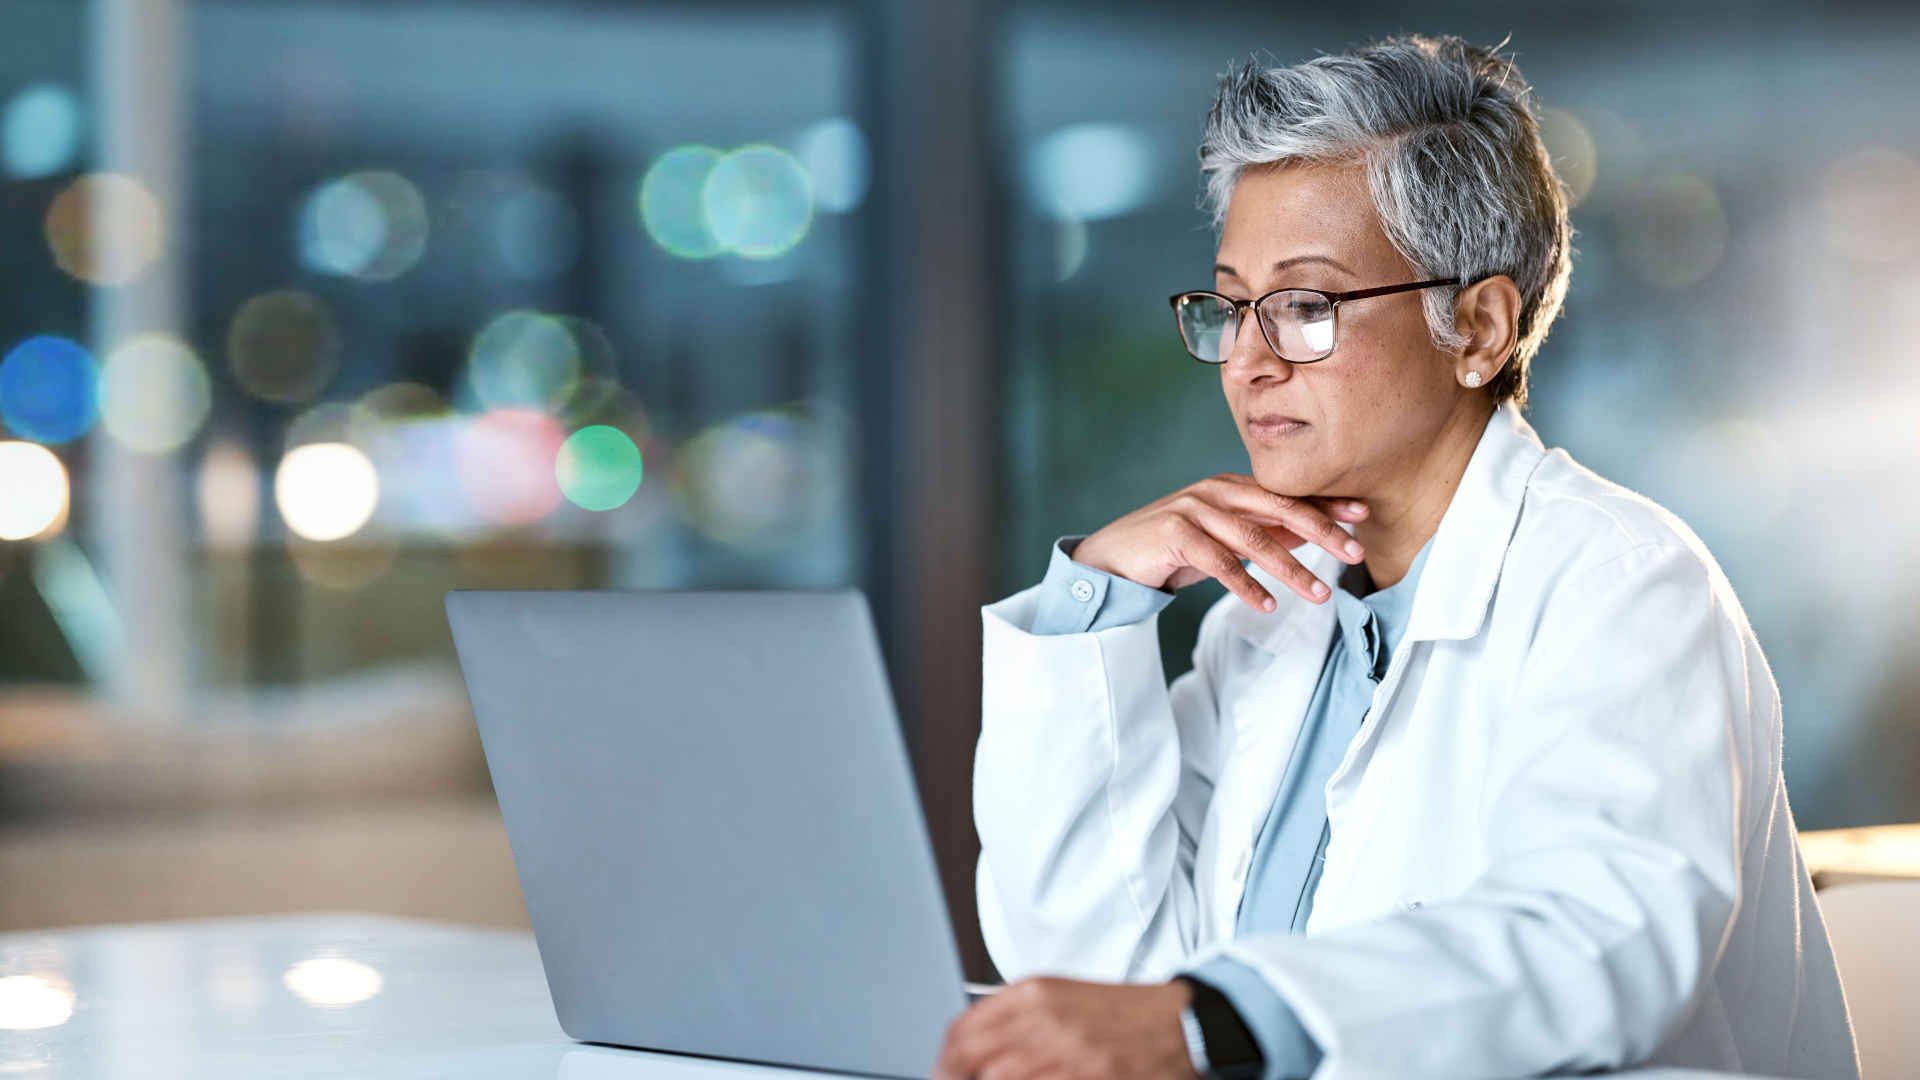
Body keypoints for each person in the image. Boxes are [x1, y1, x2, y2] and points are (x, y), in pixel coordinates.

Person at [939, 33, 1860, 1080]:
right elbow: (1093, 971)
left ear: (1477, 327)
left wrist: (1221, 1023)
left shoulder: (1620, 583)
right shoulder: (1269, 619)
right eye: (1230, 305)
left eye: (1303, 306)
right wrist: (1092, 599)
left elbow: (1595, 943)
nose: (1246, 360)